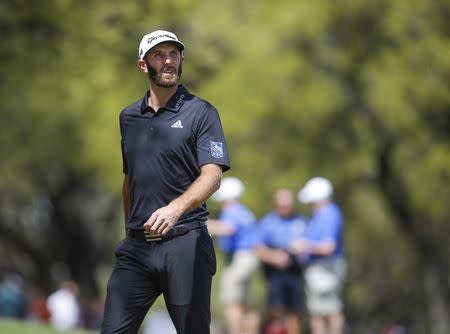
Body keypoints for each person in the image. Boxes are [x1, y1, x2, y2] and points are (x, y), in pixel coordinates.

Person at [101, 29, 230, 334]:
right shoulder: (128, 117)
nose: (169, 61)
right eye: (160, 55)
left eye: (174, 54)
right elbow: (129, 179)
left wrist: (175, 209)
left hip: (186, 243)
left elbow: (212, 176)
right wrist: (128, 232)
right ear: (143, 65)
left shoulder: (201, 112)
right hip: (137, 249)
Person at [291, 177, 346, 334]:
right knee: (318, 312)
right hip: (320, 268)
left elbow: (328, 247)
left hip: (326, 267)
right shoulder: (321, 214)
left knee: (329, 311)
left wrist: (304, 246)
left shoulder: (329, 214)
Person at [208, 177, 260, 334]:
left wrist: (202, 224)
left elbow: (227, 229)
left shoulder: (231, 210)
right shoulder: (245, 212)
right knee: (246, 305)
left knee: (232, 304)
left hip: (239, 259)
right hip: (249, 258)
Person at [254, 189, 307, 334]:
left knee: (295, 311)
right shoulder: (267, 222)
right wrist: (274, 257)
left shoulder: (301, 220)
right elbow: (258, 248)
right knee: (276, 309)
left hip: (295, 270)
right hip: (275, 273)